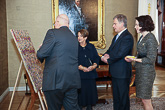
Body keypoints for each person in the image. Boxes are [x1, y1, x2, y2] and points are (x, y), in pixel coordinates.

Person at [37, 14, 81, 110]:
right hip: (72, 80)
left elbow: (41, 54)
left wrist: (42, 48)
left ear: (58, 22)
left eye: (55, 23)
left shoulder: (52, 32)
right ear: (67, 24)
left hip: (55, 81)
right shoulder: (74, 37)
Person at [125, 15, 158, 110]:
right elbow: (141, 55)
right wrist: (133, 58)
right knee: (143, 99)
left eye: (137, 25)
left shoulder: (150, 38)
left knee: (146, 99)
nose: (135, 27)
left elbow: (151, 59)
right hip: (141, 72)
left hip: (147, 73)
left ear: (144, 25)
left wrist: (134, 59)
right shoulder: (142, 37)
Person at [101, 14, 134, 110]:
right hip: (115, 72)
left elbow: (120, 54)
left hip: (122, 73)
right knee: (116, 98)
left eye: (115, 24)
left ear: (122, 23)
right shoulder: (116, 37)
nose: (113, 26)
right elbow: (110, 50)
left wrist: (108, 59)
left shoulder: (127, 37)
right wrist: (104, 56)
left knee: (123, 98)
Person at [77, 29, 100, 110]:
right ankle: (80, 106)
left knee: (90, 90)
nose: (79, 38)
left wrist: (94, 66)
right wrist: (81, 67)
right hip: (79, 73)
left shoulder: (91, 47)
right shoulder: (75, 47)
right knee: (80, 91)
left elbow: (96, 58)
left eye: (81, 36)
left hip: (90, 73)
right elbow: (72, 60)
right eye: (78, 36)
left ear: (85, 37)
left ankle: (89, 106)